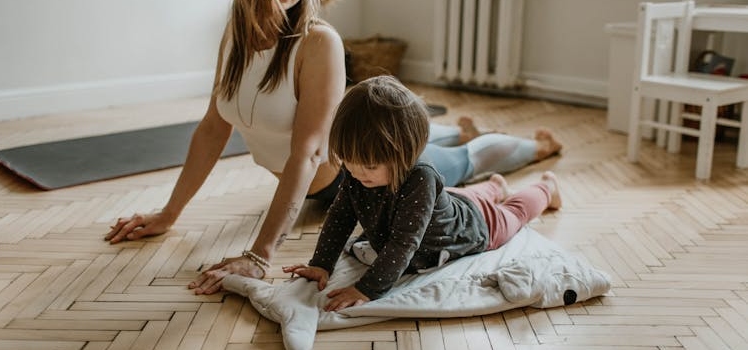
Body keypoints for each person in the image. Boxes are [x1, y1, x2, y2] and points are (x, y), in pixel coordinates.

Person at [104, 0, 561, 295]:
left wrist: (260, 255)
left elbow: (306, 154)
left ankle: (533, 148)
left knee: (463, 162)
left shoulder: (318, 41)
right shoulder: (235, 37)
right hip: (362, 161)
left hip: (357, 174)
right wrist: (169, 214)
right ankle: (458, 134)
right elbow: (211, 128)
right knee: (445, 153)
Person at [283, 76, 562, 311]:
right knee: (463, 197)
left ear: (404, 153)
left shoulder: (421, 177)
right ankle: (495, 186)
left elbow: (404, 243)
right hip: (449, 201)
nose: (356, 173)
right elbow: (341, 215)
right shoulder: (359, 172)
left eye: (368, 166)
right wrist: (321, 263)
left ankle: (546, 188)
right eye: (349, 162)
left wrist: (367, 289)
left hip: (474, 225)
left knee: (514, 212)